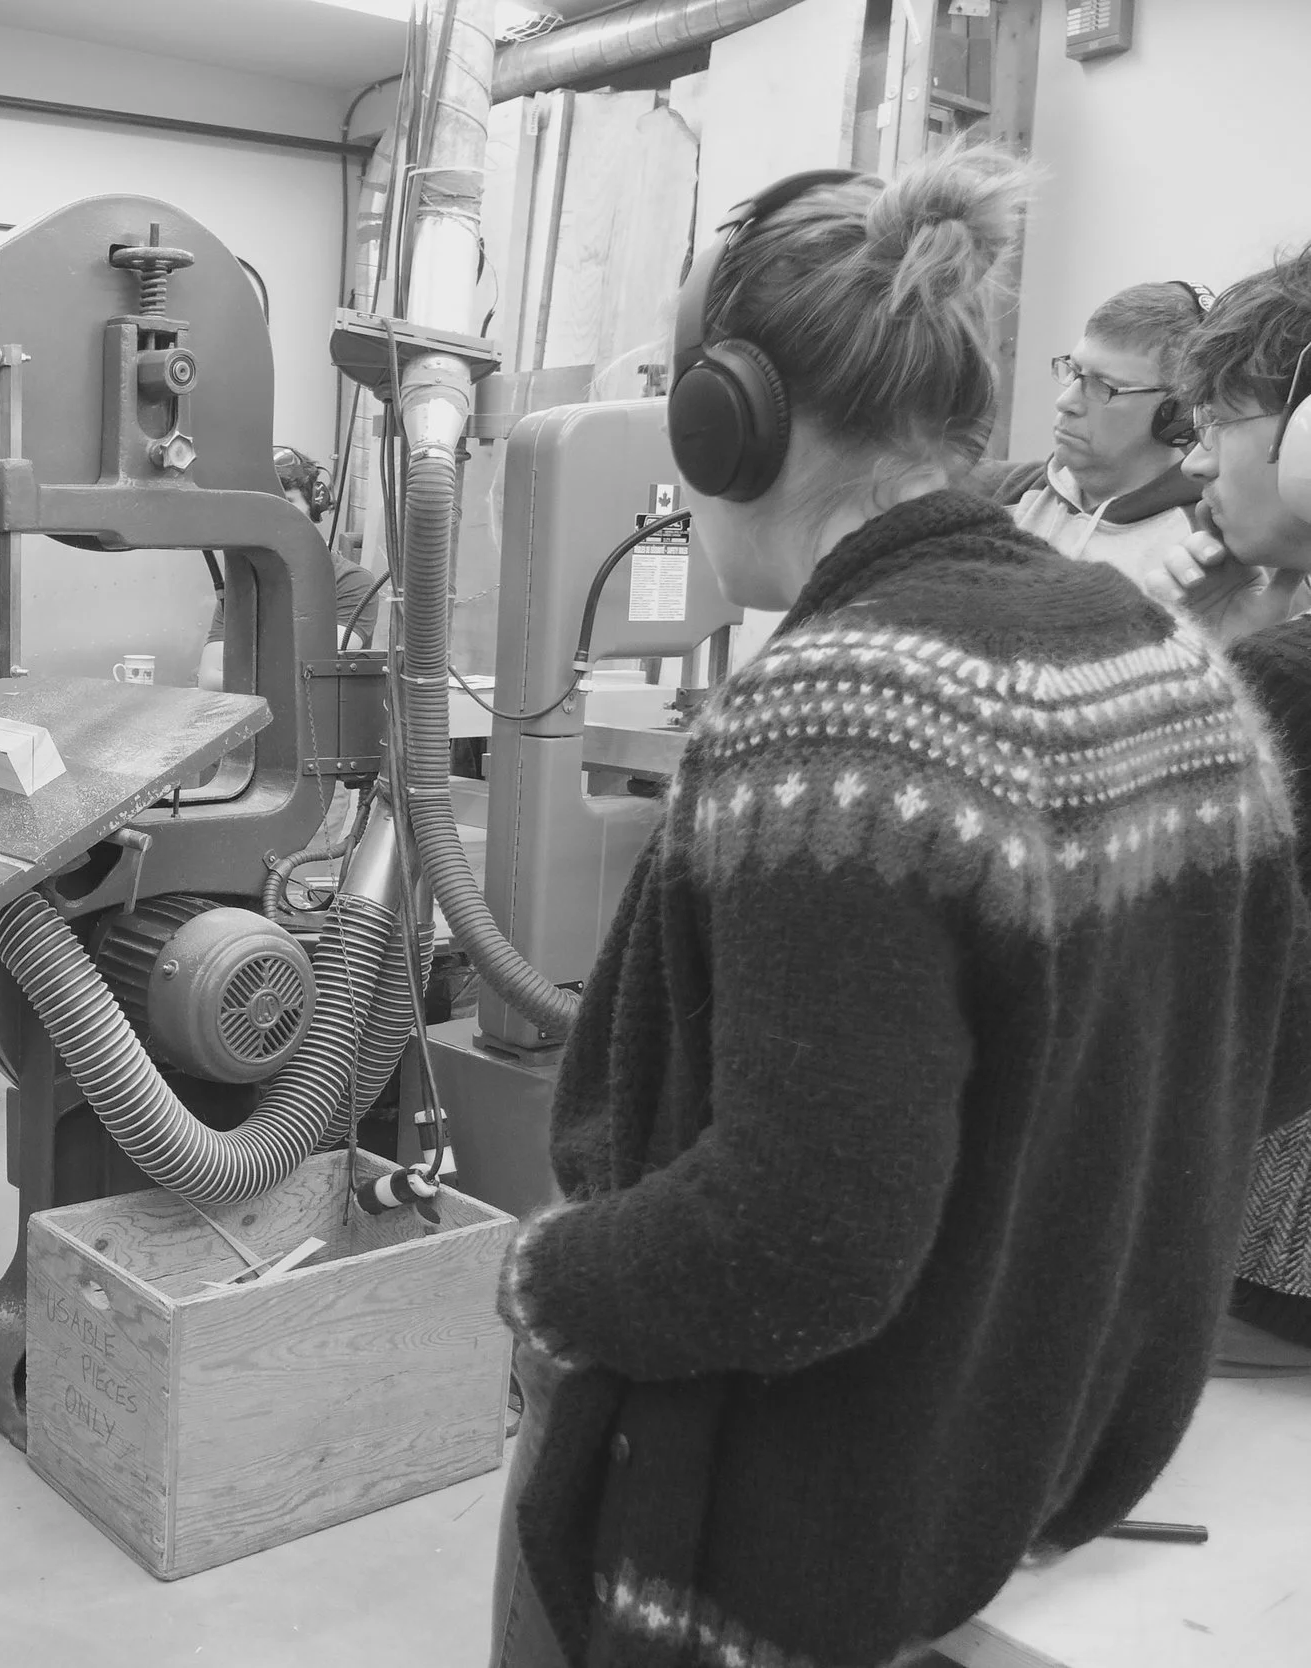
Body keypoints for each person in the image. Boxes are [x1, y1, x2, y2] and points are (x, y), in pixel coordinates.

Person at [488, 152, 1311, 1668]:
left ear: (722, 420)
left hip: (783, 1548)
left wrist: (542, 1278)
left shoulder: (834, 716)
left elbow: (800, 1234)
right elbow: (1251, 1067)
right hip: (1013, 1487)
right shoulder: (1185, 671)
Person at [1140, 249, 1311, 1375]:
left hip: (1266, 1291)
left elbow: (1162, 986)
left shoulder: (1287, 686)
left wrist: (1195, 662)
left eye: (1220, 421)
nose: (1194, 459)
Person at [977, 281, 1208, 581]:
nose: (1065, 402)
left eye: (1102, 387)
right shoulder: (1002, 494)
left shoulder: (1196, 550)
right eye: (1073, 372)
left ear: (1177, 414)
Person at [195, 444, 381, 692]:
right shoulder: (245, 583)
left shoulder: (352, 583)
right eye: (266, 505)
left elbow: (309, 675)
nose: (275, 516)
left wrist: (244, 675)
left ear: (314, 505)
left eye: (287, 502)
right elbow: (209, 680)